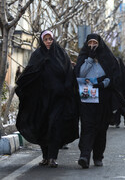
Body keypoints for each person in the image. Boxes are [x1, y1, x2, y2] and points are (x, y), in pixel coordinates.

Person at [15, 30, 80, 168]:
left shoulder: (61, 54)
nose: (49, 42)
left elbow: (68, 73)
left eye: (50, 39)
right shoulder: (37, 55)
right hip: (41, 100)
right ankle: (45, 156)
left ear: (54, 40)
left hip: (58, 99)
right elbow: (30, 72)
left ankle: (53, 157)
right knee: (42, 126)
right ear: (42, 41)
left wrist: (66, 90)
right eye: (46, 39)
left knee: (54, 125)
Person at [74, 33, 121, 169]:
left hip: (104, 97)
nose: (92, 46)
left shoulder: (107, 58)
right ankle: (85, 155)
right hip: (87, 96)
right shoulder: (84, 57)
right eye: (90, 43)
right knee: (87, 126)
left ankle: (98, 156)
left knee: (101, 127)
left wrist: (104, 83)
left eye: (95, 43)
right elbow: (81, 73)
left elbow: (113, 77)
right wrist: (89, 58)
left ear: (99, 44)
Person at [113, 57, 125, 128]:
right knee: (116, 108)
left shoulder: (123, 72)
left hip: (122, 93)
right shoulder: (113, 70)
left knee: (122, 108)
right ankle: (116, 122)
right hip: (115, 92)